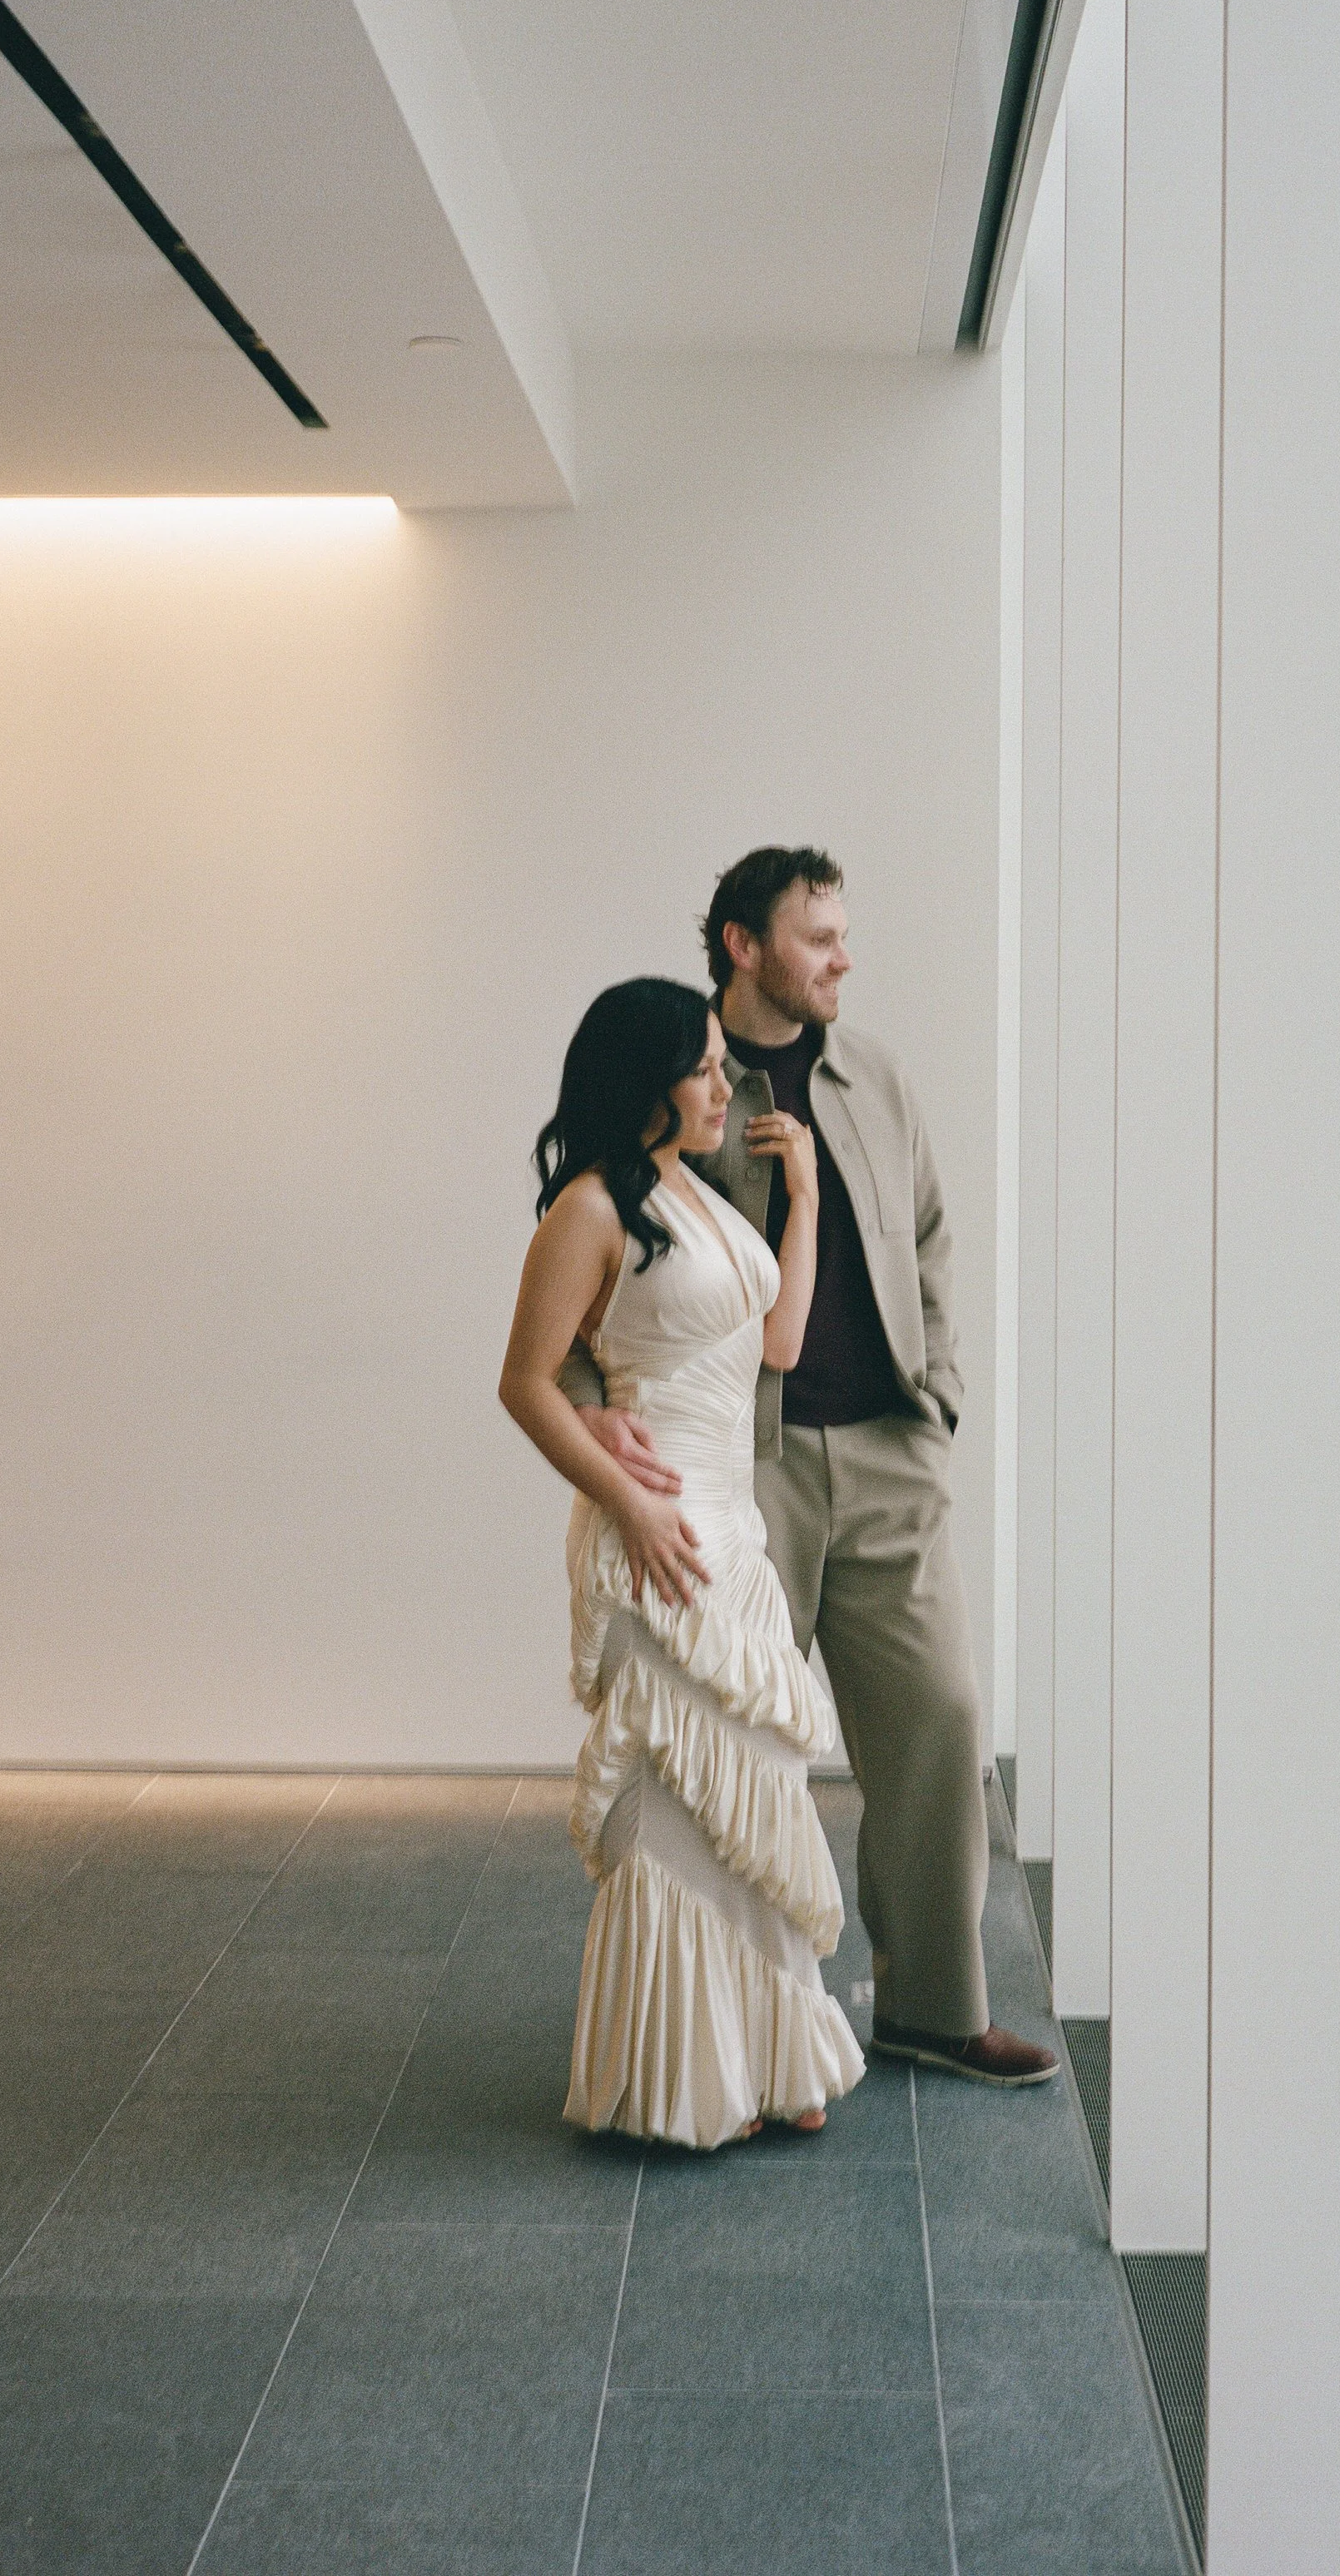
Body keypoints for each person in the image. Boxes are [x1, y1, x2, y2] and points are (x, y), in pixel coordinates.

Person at [563, 851, 1057, 2088]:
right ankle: (728, 2033)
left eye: (845, 934)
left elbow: (930, 1237)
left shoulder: (875, 1077)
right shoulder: (672, 1072)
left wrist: (934, 1398)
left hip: (888, 1451)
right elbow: (585, 1252)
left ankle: (934, 2008)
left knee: (938, 1719)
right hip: (741, 1469)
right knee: (731, 1750)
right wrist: (593, 1417)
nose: (843, 957)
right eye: (818, 936)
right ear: (743, 944)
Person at [499, 977, 866, 2149]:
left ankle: (768, 2057)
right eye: (705, 1064)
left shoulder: (692, 1196)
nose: (725, 1083)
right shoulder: (592, 1209)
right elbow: (524, 1381)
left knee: (752, 1785)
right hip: (656, 1528)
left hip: (732, 1531)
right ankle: (678, 2078)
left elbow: (781, 1340)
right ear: (645, 1075)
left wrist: (803, 1195)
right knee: (678, 1797)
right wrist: (623, 1498)